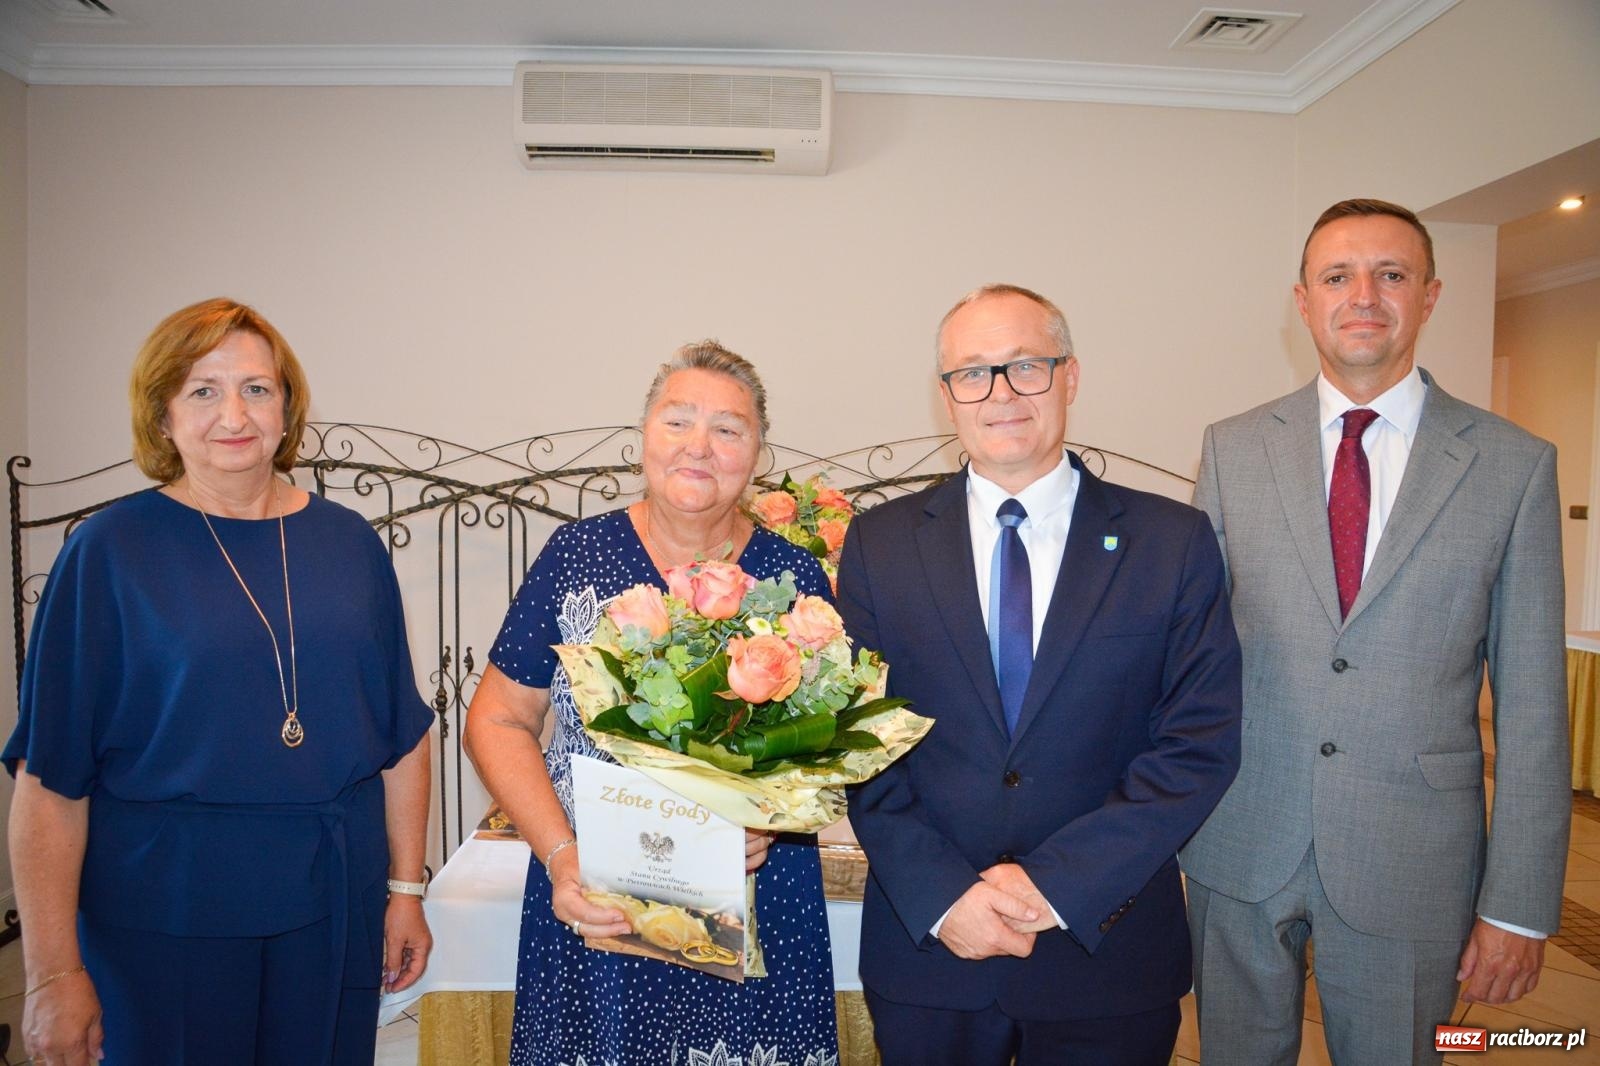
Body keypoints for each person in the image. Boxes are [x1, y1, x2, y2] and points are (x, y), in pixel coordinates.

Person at [1181, 199, 1570, 1064]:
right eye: (1337, 276)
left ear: (1429, 296)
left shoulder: (1513, 465)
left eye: (1390, 274)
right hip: (1240, 839)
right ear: (1304, 300)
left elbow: (1536, 708)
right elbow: (1190, 658)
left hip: (1412, 856)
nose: (1363, 295)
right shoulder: (1234, 449)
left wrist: (1518, 905)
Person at [5, 297, 435, 1066]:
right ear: (163, 415)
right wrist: (53, 973)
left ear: (286, 407)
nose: (233, 414)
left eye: (256, 389)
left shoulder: (349, 545)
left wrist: (406, 892)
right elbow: (49, 782)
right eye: (203, 390)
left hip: (331, 905)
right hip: (164, 913)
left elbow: (402, 737)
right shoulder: (108, 553)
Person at [835, 284, 1242, 1065]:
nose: (1001, 394)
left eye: (1025, 366)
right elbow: (858, 746)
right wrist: (945, 896)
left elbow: (1199, 744)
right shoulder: (879, 545)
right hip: (932, 955)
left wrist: (1055, 885)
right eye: (973, 373)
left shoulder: (1172, 541)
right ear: (947, 395)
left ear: (1070, 376)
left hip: (1106, 956)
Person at [463, 341, 839, 1066]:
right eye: (678, 421)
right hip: (597, 900)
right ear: (644, 435)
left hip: (755, 900)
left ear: (758, 454)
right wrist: (563, 857)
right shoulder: (576, 556)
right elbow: (498, 719)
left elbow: (827, 745)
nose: (699, 445)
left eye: (727, 429)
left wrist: (772, 816)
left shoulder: (795, 578)